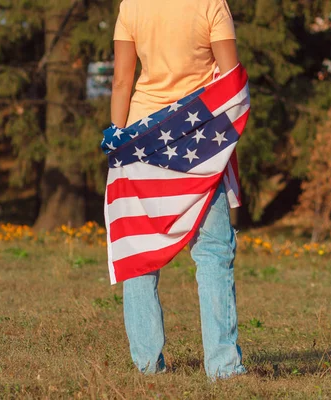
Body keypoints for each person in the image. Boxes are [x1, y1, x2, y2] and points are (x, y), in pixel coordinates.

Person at [110, 0, 246, 379]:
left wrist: (116, 139)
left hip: (142, 137)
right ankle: (223, 366)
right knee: (213, 253)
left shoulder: (132, 5)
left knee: (141, 253)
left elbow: (122, 80)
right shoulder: (210, 4)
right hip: (199, 142)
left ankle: (147, 365)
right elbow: (230, 79)